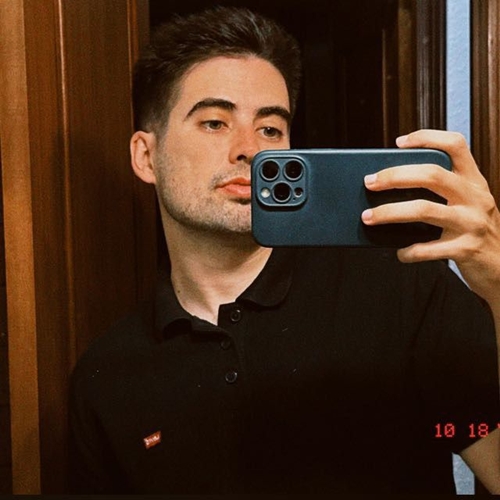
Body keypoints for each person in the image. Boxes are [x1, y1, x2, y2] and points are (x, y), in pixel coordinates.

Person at [68, 6, 500, 494]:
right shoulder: (109, 377)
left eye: (270, 128)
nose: (250, 148)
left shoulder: (402, 291)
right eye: (214, 122)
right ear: (146, 156)